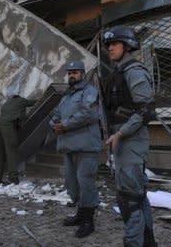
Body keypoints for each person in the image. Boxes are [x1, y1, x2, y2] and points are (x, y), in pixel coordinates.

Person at [102, 26, 158, 247]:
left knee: (129, 200)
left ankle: (134, 242)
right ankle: (147, 241)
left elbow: (146, 111)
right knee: (136, 195)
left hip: (130, 140)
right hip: (122, 141)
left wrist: (121, 133)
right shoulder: (119, 72)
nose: (110, 49)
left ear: (127, 46)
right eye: (108, 45)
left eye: (114, 44)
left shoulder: (134, 71)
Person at [50, 60, 102, 238]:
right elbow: (55, 114)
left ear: (82, 74)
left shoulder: (89, 91)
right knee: (72, 183)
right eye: (70, 72)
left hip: (86, 146)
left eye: (76, 72)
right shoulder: (67, 96)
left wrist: (64, 125)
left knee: (86, 182)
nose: (72, 75)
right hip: (69, 146)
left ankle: (89, 221)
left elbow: (89, 114)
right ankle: (80, 215)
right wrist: (54, 123)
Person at [0, 95, 36, 185]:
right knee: (11, 151)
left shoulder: (7, 103)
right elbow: (33, 102)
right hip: (8, 126)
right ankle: (13, 177)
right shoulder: (21, 100)